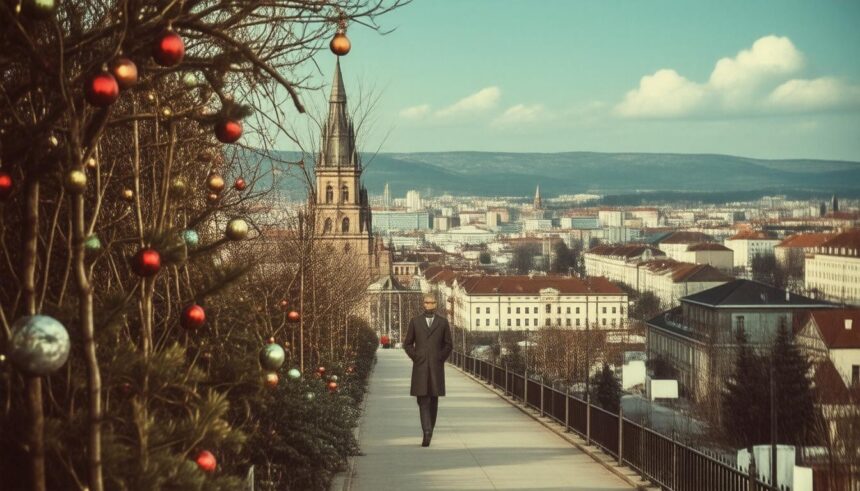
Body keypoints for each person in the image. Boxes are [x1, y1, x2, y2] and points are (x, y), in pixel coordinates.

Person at [403, 293, 453, 447]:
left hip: (436, 368)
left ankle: (430, 428)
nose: (429, 305)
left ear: (435, 304)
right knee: (423, 400)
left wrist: (440, 357)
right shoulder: (415, 322)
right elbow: (407, 343)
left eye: (431, 303)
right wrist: (416, 357)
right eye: (426, 303)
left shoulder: (443, 323)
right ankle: (427, 432)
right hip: (421, 367)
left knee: (433, 400)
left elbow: (448, 345)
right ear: (423, 304)